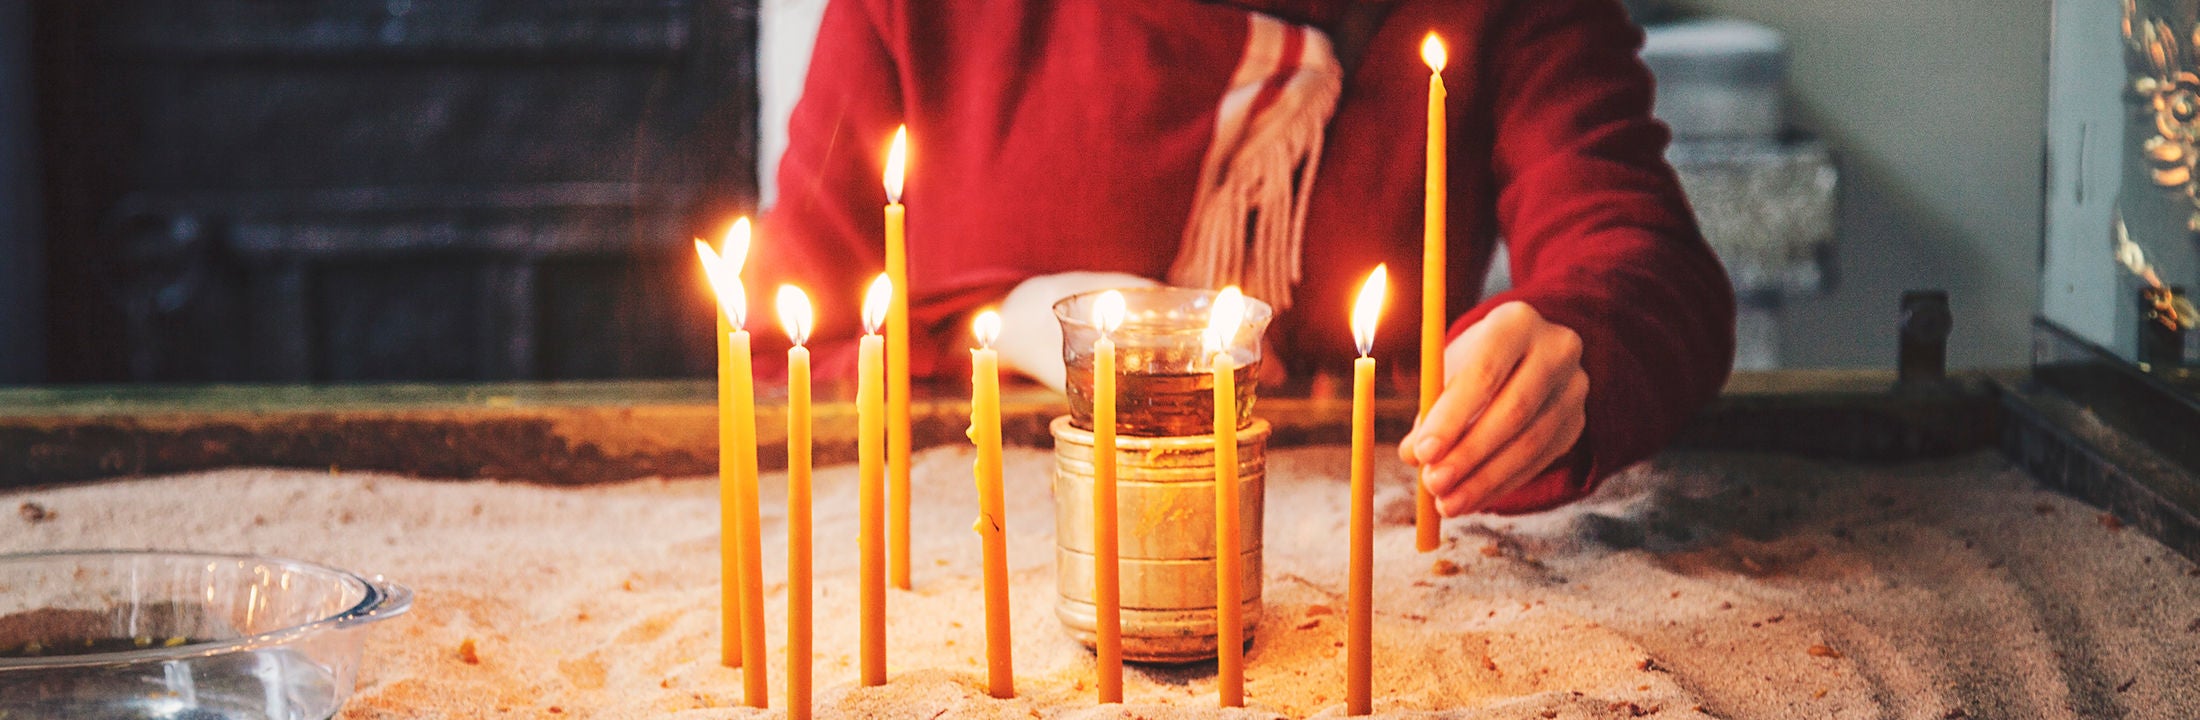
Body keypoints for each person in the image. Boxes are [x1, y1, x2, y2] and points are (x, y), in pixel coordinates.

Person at [753, 0, 1735, 515]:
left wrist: (1575, 345)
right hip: (986, 541)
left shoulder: (1505, 13)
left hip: (1380, 536)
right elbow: (779, 357)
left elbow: (1644, 263)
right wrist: (1013, 329)